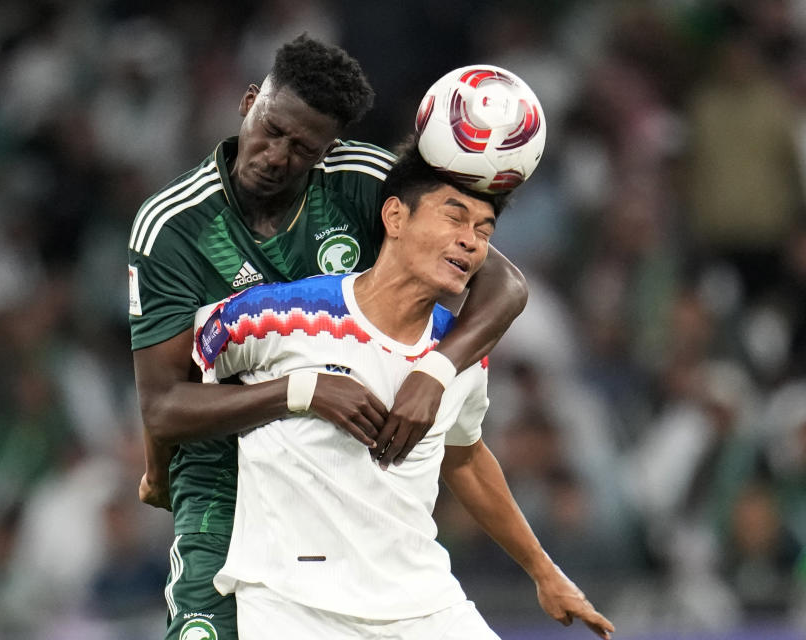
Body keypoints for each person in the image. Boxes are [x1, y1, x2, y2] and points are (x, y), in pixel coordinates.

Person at [128, 35, 529, 639]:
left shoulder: (362, 182)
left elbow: (505, 285)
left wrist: (436, 371)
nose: (274, 155)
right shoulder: (175, 227)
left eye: (301, 148)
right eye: (271, 129)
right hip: (223, 474)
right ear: (248, 103)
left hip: (340, 477)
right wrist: (304, 391)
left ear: (327, 151)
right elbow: (163, 406)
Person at [182, 142, 615, 639]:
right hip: (293, 605)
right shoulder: (274, 317)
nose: (471, 242)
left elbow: (465, 457)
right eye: (455, 218)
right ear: (394, 216)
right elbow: (173, 395)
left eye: (484, 230)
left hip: (423, 603)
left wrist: (543, 570)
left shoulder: (461, 355)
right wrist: (158, 468)